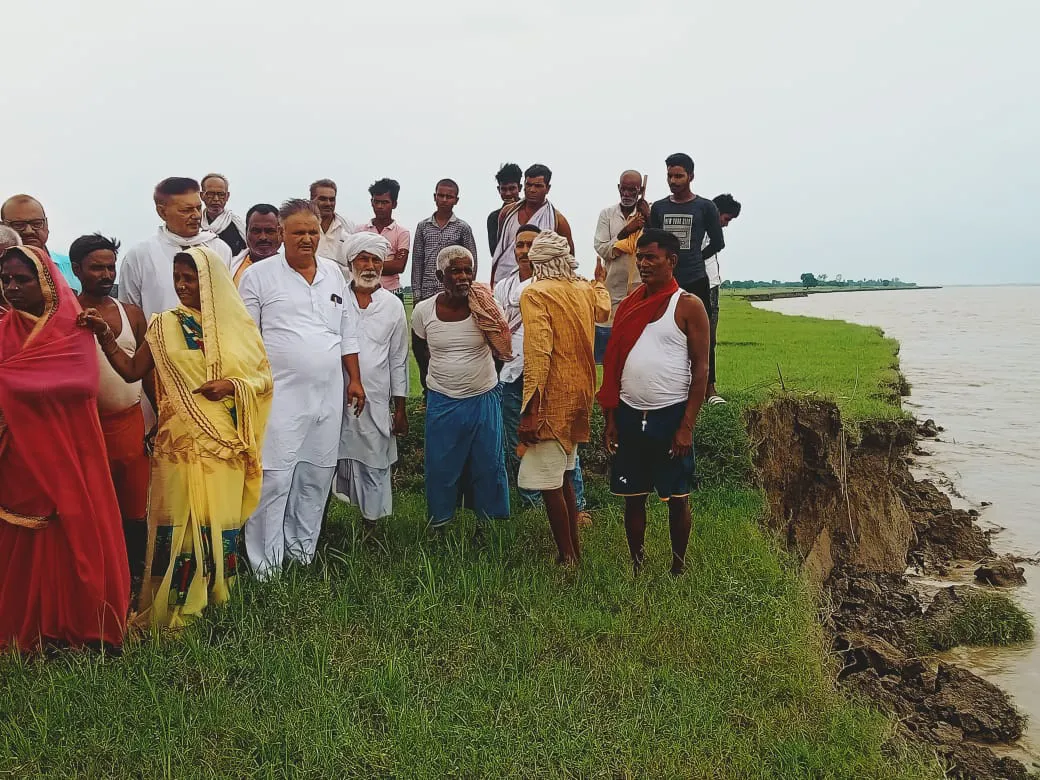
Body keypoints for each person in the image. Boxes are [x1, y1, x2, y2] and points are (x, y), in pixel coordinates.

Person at [80, 247, 272, 627]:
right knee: (178, 526)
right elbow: (133, 371)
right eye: (178, 278)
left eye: (191, 278)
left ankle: (218, 597)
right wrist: (105, 336)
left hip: (223, 443)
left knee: (217, 518)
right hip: (178, 443)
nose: (182, 286)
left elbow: (263, 380)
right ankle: (177, 605)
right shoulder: (163, 324)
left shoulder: (237, 327)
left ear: (212, 282)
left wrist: (232, 385)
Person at [0, 246, 129, 650]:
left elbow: (81, 384)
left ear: (47, 282)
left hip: (74, 451)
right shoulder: (3, 331)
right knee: (25, 536)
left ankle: (75, 622)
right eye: (6, 280)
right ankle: (29, 626)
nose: (12, 287)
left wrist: (15, 383)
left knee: (73, 531)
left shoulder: (75, 328)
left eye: (22, 279)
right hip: (20, 454)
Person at [238, 199, 365, 579]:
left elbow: (347, 332)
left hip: (328, 394)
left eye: (312, 231)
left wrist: (354, 379)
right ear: (281, 234)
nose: (307, 239)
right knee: (275, 476)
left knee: (316, 474)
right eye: (298, 232)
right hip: (279, 397)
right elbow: (246, 340)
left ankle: (302, 552)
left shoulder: (332, 274)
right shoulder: (258, 277)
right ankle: (265, 565)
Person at [598, 229, 710, 576]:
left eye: (651, 258)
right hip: (631, 414)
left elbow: (701, 369)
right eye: (640, 257)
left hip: (671, 416)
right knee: (633, 498)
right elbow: (615, 360)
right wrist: (611, 419)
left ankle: (678, 567)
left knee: (677, 498)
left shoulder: (688, 305)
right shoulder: (631, 303)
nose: (643, 264)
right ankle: (637, 565)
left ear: (671, 261)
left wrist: (686, 427)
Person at [517, 232, 610, 564]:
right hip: (581, 393)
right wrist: (598, 281)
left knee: (548, 481)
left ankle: (567, 556)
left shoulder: (535, 294)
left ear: (538, 263)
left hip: (552, 397)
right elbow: (604, 309)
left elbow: (538, 352)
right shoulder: (584, 289)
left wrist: (529, 409)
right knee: (566, 473)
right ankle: (573, 550)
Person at [495, 224, 592, 524]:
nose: (524, 251)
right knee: (529, 446)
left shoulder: (542, 290)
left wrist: (531, 408)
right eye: (519, 245)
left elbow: (539, 352)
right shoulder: (504, 286)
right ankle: (537, 509)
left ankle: (571, 513)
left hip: (545, 381)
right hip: (512, 371)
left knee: (555, 446)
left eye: (530, 245)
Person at [71, 233, 151, 597]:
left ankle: (133, 583)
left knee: (135, 509)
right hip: (85, 429)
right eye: (96, 267)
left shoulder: (130, 313)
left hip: (130, 424)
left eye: (110, 267)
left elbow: (146, 370)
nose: (105, 274)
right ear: (76, 270)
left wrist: (160, 417)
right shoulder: (66, 315)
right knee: (92, 510)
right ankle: (96, 586)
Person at [412, 245, 511, 532]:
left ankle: (488, 526)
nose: (464, 277)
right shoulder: (424, 311)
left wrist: (485, 382)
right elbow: (420, 349)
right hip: (443, 399)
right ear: (439, 275)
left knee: (488, 464)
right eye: (456, 271)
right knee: (441, 466)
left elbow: (499, 349)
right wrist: (431, 383)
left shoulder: (485, 307)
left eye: (468, 270)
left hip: (483, 398)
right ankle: (440, 525)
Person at [333, 233, 409, 535]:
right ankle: (318, 527)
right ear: (351, 262)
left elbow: (399, 359)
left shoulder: (392, 305)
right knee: (328, 463)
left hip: (376, 401)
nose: (369, 265)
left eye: (375, 259)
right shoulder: (336, 297)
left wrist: (400, 408)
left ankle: (371, 530)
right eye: (363, 258)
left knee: (375, 465)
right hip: (334, 398)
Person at [118, 177, 233, 319]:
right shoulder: (139, 255)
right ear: (162, 212)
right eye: (186, 210)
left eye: (198, 208)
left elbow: (229, 304)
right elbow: (130, 313)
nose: (197, 216)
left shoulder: (220, 250)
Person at [648, 153, 724, 323]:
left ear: (691, 176)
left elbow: (718, 242)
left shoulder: (705, 207)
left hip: (695, 280)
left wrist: (696, 257)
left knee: (700, 332)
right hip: (664, 281)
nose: (673, 181)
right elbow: (651, 242)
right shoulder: (659, 208)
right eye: (669, 176)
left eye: (679, 176)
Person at [593, 170, 649, 363]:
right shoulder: (607, 215)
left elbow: (659, 245)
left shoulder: (647, 213)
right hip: (612, 289)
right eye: (623, 189)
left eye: (631, 190)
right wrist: (625, 233)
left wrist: (649, 220)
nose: (626, 194)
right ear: (618, 188)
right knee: (611, 345)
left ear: (640, 190)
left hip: (640, 288)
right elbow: (601, 248)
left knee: (638, 344)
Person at [490, 164, 575, 285]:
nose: (532, 190)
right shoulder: (507, 213)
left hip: (542, 283)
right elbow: (500, 252)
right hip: (505, 282)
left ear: (548, 188)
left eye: (538, 186)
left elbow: (569, 258)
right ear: (523, 186)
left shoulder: (558, 220)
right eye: (529, 185)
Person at [411, 179, 479, 304]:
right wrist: (416, 294)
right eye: (441, 195)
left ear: (456, 200)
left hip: (453, 289)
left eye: (449, 197)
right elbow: (417, 261)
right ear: (434, 197)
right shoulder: (423, 226)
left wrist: (467, 288)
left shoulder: (462, 228)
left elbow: (472, 261)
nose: (444, 200)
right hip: (427, 290)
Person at [702, 194, 742, 405]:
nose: (725, 225)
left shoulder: (711, 231)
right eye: (726, 219)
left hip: (712, 285)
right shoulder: (699, 228)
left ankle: (709, 389)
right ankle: (707, 389)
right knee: (703, 340)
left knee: (710, 341)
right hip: (700, 286)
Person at [1, 194, 80, 292]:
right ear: (3, 227)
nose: (29, 231)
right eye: (19, 225)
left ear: (46, 224)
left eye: (37, 223)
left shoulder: (72, 268)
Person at [353, 179, 411, 297]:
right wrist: (389, 263)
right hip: (364, 291)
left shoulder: (402, 233)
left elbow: (399, 266)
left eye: (385, 202)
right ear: (371, 202)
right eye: (376, 202)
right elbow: (354, 263)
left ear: (394, 204)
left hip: (392, 291)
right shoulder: (360, 230)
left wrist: (365, 263)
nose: (379, 206)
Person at [231, 203, 283, 286]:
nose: (263, 237)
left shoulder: (293, 269)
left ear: (281, 233)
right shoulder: (230, 268)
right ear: (246, 232)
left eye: (270, 231)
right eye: (256, 231)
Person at [200, 174, 247, 257]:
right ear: (202, 196)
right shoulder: (195, 224)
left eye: (221, 194)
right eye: (210, 194)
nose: (216, 199)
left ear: (227, 196)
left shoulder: (238, 225)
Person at [310, 179, 356, 262]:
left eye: (332, 199)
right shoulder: (304, 225)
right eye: (323, 199)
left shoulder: (347, 226)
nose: (328, 203)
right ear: (312, 200)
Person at [486, 163, 522, 255]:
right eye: (504, 189)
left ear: (520, 188)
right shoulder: (494, 217)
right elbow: (494, 251)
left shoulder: (532, 212)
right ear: (499, 190)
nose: (508, 193)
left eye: (512, 188)